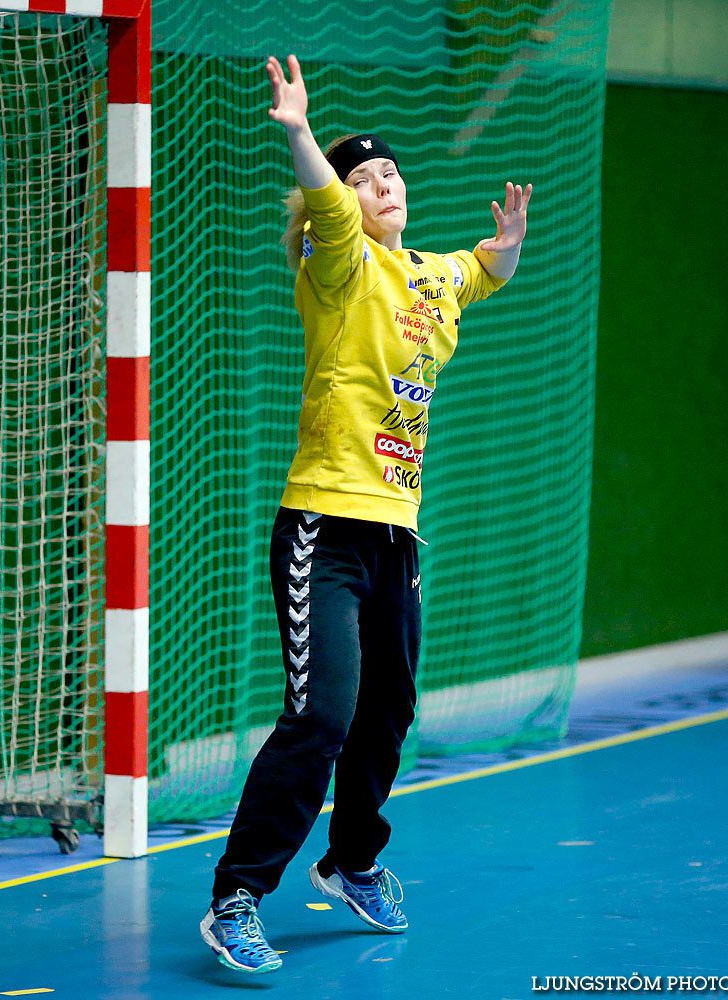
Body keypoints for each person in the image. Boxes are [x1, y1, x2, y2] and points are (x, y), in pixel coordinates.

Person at [198, 54, 533, 975]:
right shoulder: (335, 266)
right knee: (322, 717)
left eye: (391, 174)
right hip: (324, 528)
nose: (384, 185)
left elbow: (480, 272)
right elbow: (332, 209)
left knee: (389, 712)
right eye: (365, 179)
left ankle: (351, 862)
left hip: (398, 532)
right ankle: (237, 898)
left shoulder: (429, 275)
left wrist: (505, 245)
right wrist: (304, 136)